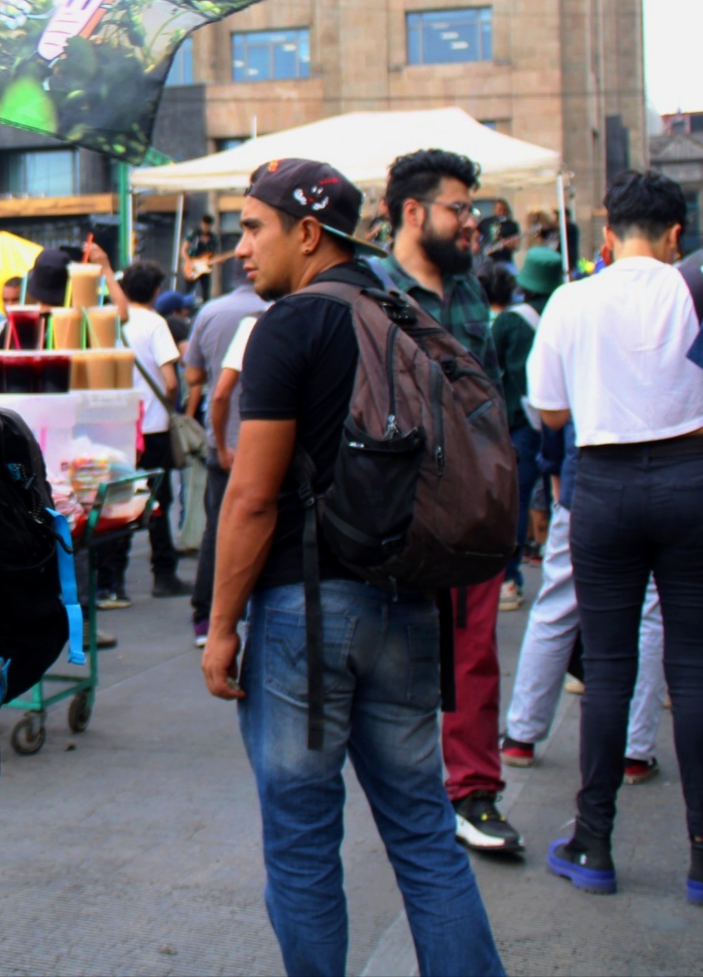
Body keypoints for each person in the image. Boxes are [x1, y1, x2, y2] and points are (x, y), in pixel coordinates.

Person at [202, 158, 503, 976]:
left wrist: (221, 626)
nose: (241, 249)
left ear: (306, 233)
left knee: (302, 844)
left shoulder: (290, 326)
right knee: (422, 832)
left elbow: (252, 498)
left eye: (253, 228)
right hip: (408, 602)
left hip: (305, 614)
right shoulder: (403, 311)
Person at [528, 169, 703, 901]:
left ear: (607, 232)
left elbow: (550, 412)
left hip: (602, 486)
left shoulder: (572, 298)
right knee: (692, 671)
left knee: (607, 667)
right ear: (675, 235)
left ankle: (593, 842)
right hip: (692, 478)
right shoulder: (692, 289)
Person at [379, 148, 520, 855]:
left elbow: (492, 395)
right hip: (391, 506)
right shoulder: (371, 286)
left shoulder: (467, 291)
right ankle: (404, 795)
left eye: (470, 209)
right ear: (413, 212)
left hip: (469, 503)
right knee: (388, 651)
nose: (470, 223)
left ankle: (474, 790)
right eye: (459, 208)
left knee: (473, 652)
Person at [502, 421, 666, 782]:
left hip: (590, 471)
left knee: (557, 605)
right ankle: (634, 751)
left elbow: (550, 409)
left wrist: (555, 468)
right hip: (669, 473)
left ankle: (522, 735)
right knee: (653, 613)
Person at [183, 275, 269, 647]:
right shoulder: (267, 316)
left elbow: (205, 385)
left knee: (218, 528)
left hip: (229, 445)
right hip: (265, 445)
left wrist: (219, 443)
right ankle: (243, 614)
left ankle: (207, 618)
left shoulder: (211, 311)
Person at [106, 259, 187, 603]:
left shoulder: (111, 321)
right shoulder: (156, 324)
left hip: (122, 425)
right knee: (158, 500)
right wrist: (170, 403)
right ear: (156, 291)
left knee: (120, 499)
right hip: (154, 426)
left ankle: (111, 582)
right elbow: (171, 381)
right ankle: (163, 574)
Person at [490, 248, 564, 611]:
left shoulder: (509, 322)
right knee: (564, 499)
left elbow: (491, 368)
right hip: (566, 422)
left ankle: (508, 580)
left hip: (520, 423)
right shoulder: (568, 312)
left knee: (516, 502)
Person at [182, 213, 223, 301]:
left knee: (205, 292)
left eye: (208, 225)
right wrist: (189, 262)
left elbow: (213, 254)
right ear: (201, 224)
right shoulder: (194, 234)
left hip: (205, 267)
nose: (205, 227)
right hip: (193, 265)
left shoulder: (214, 238)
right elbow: (184, 250)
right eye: (204, 225)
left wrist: (218, 259)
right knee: (188, 290)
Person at [479, 199, 522, 269]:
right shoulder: (486, 222)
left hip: (504, 261)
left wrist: (506, 244)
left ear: (505, 209)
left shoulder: (512, 225)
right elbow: (476, 234)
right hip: (486, 260)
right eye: (497, 208)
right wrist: (476, 244)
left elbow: (516, 245)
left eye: (501, 208)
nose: (499, 211)